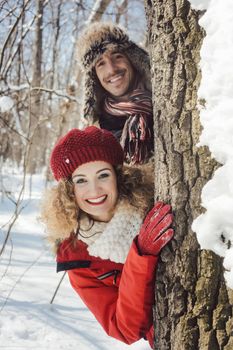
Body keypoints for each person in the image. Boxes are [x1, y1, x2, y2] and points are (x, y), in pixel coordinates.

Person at [41, 126, 174, 349]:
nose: (94, 190)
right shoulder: (77, 257)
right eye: (81, 180)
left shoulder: (153, 202)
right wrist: (141, 254)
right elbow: (125, 330)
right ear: (68, 190)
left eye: (103, 175)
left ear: (118, 176)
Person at [76, 22, 153, 164]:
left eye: (117, 56)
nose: (111, 69)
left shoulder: (165, 103)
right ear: (94, 78)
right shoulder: (97, 137)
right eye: (101, 63)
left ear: (133, 59)